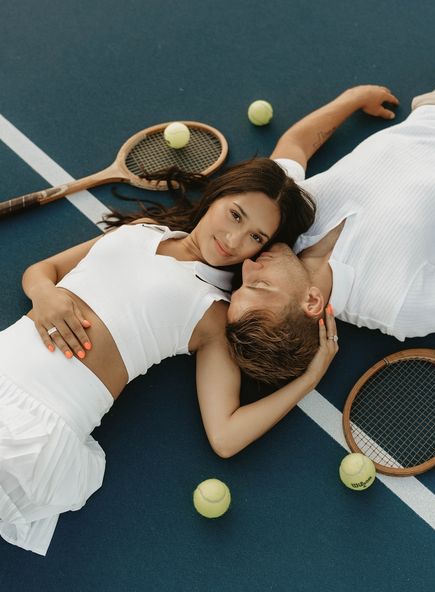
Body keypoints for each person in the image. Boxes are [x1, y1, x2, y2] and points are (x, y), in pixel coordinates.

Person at [0, 156, 329, 555]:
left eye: (256, 238)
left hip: (40, 420)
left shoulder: (215, 313)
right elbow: (43, 269)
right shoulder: (142, 230)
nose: (235, 239)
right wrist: (45, 295)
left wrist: (310, 378)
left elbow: (225, 436)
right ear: (218, 196)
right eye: (235, 215)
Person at [226, 58, 435, 384]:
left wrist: (352, 99)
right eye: (259, 284)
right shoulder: (394, 307)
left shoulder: (283, 221)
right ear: (311, 301)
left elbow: (294, 147)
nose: (248, 267)